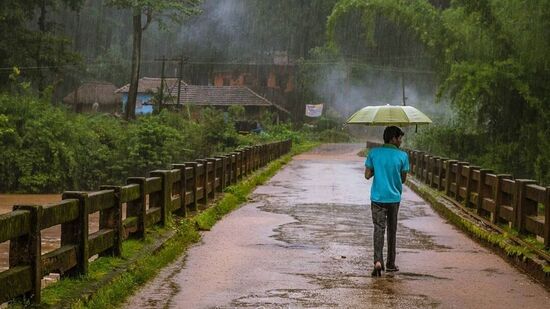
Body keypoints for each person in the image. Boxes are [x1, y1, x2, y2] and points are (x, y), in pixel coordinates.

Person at [364, 126, 410, 277]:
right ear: (393, 138)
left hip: (377, 197)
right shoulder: (403, 156)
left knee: (379, 228)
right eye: (399, 138)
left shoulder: (374, 153)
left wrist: (379, 169)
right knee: (392, 230)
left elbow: (367, 175)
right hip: (394, 199)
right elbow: (403, 179)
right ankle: (390, 263)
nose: (401, 141)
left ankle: (378, 261)